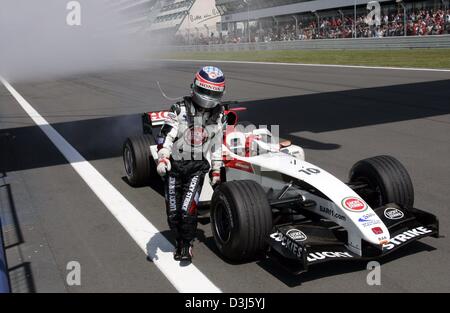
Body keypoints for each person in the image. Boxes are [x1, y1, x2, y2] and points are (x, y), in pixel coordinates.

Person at [156, 66, 225, 262]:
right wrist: (162, 156)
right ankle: (179, 237)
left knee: (187, 210)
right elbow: (165, 135)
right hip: (174, 166)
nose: (209, 96)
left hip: (196, 168)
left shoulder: (219, 117)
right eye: (206, 91)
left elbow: (217, 146)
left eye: (214, 92)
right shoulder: (179, 109)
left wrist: (216, 171)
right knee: (173, 213)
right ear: (195, 87)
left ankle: (185, 244)